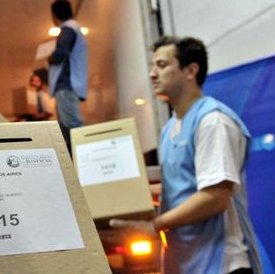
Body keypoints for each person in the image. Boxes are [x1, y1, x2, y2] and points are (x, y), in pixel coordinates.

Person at [112, 36, 262, 273]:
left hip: (221, 264)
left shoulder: (212, 121)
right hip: (184, 262)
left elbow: (214, 196)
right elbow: (183, 186)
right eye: (153, 66)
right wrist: (129, 191)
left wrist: (154, 226)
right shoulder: (171, 127)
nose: (152, 74)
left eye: (162, 65)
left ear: (191, 70)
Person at [47, 0, 88, 153]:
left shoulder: (68, 29)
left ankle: (88, 161)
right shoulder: (74, 28)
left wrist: (49, 58)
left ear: (55, 15)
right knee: (66, 130)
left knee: (73, 126)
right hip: (67, 85)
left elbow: (61, 53)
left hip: (66, 85)